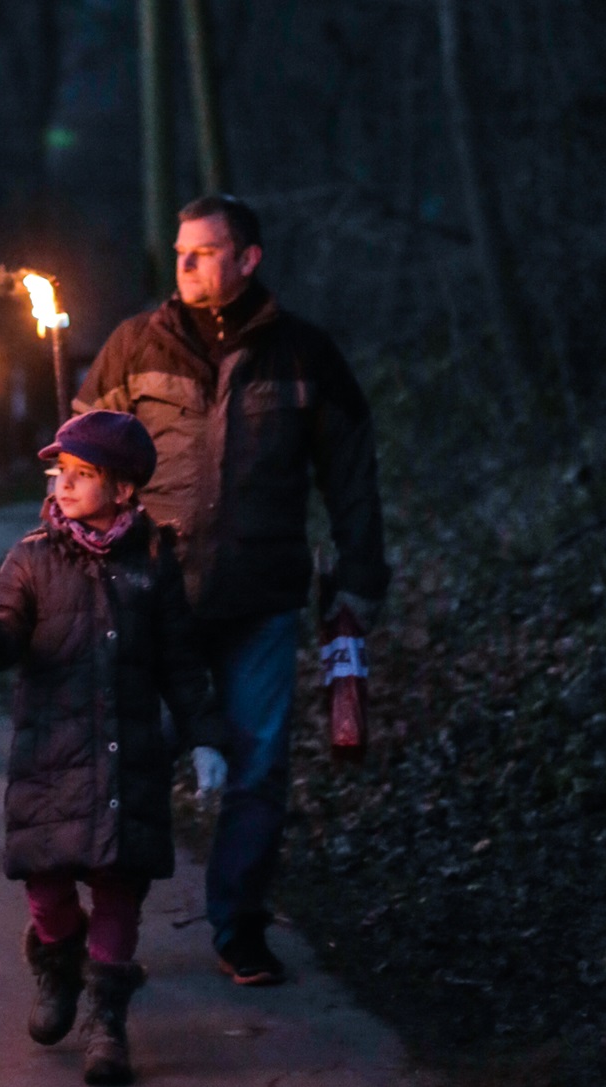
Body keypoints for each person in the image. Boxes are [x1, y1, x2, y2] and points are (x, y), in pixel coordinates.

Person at [74, 194, 390, 986]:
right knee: (129, 764)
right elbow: (79, 455)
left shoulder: (303, 355)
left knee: (257, 766)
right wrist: (77, 540)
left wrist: (357, 580)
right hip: (151, 594)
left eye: (203, 252)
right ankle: (109, 934)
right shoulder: (130, 346)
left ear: (247, 259)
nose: (182, 264)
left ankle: (238, 924)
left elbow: (351, 475)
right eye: (179, 250)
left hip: (260, 596)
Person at [0, 410, 219, 1087]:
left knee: (119, 886)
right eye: (58, 471)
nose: (63, 483)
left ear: (122, 489)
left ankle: (106, 1017)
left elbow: (180, 662)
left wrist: (206, 738)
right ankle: (58, 966)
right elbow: (0, 645)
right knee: (48, 884)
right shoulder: (32, 556)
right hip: (51, 758)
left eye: (82, 474)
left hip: (128, 758)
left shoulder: (153, 562)